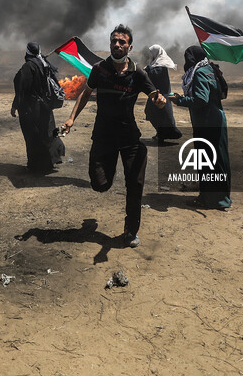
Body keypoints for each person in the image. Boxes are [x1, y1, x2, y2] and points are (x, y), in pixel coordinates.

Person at [61, 25, 167, 248]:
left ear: (130, 46)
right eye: (114, 41)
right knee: (100, 184)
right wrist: (72, 119)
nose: (117, 45)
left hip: (129, 138)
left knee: (135, 185)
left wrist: (159, 101)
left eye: (122, 42)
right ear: (110, 44)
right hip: (103, 136)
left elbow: (154, 95)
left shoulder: (137, 73)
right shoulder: (100, 69)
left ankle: (130, 230)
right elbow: (86, 93)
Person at [170, 46, 232, 209]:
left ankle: (208, 199)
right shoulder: (211, 68)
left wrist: (179, 100)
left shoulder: (199, 72)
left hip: (206, 123)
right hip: (217, 119)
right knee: (219, 160)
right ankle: (222, 198)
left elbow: (200, 100)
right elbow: (221, 93)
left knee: (206, 160)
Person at [11, 42, 65, 174]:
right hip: (45, 106)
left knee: (32, 136)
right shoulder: (44, 63)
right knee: (46, 133)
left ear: (28, 52)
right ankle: (49, 162)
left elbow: (21, 88)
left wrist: (15, 106)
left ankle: (36, 166)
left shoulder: (29, 66)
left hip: (31, 108)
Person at [142, 44, 182, 143]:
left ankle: (161, 135)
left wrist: (146, 70)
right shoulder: (156, 64)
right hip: (155, 95)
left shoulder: (160, 65)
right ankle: (160, 133)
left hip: (161, 96)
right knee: (151, 113)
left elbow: (153, 75)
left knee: (160, 116)